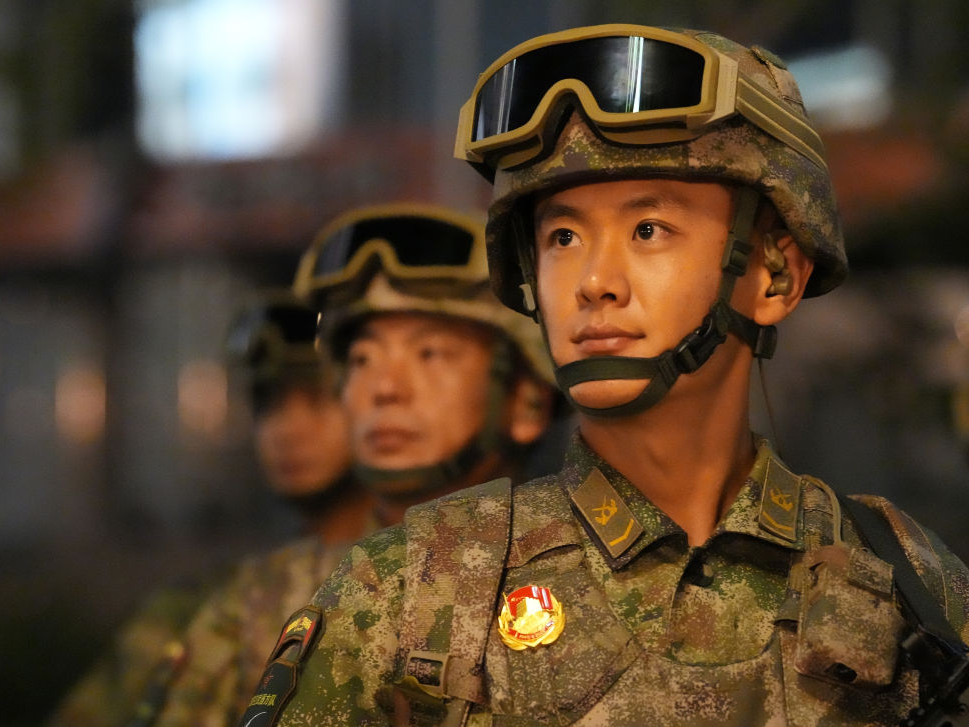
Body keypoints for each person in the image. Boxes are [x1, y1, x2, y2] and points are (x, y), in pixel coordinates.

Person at [243, 24, 969, 727]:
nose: (594, 281)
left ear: (774, 275)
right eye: (563, 237)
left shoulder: (911, 587)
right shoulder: (408, 596)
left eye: (648, 230)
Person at [150, 202, 560, 726]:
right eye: (363, 359)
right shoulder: (260, 604)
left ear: (526, 403)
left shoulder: (581, 583)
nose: (385, 388)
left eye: (430, 354)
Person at [45, 293, 363, 727]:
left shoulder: (424, 581)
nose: (288, 430)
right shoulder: (211, 603)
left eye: (318, 401)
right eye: (269, 404)